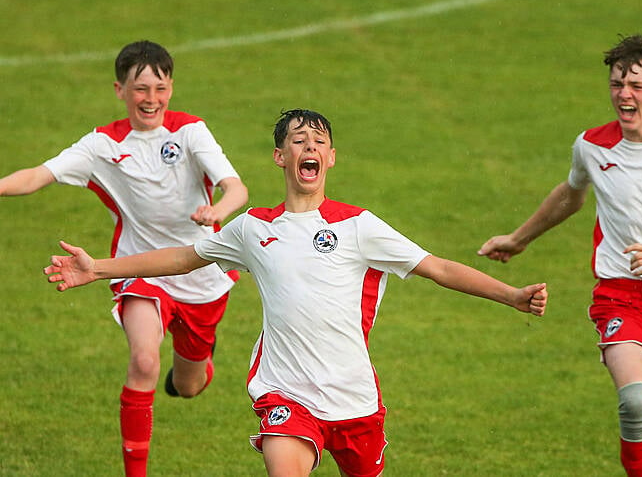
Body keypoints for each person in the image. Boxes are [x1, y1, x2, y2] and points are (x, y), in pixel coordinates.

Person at [45, 108, 549, 477]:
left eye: (318, 141)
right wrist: (99, 269)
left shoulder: (359, 226)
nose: (309, 148)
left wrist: (512, 295)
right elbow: (185, 256)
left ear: (331, 157)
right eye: (298, 140)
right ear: (280, 157)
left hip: (354, 398)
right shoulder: (253, 228)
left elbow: (438, 267)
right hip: (285, 395)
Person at [478, 31, 642, 476]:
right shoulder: (591, 146)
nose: (623, 95)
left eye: (635, 86)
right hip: (621, 296)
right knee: (634, 403)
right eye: (616, 84)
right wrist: (519, 239)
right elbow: (570, 195)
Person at [0, 40, 248, 476]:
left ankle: (193, 368)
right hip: (138, 268)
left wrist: (218, 211)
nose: (150, 99)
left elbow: (236, 188)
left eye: (160, 88)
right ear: (120, 90)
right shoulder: (101, 145)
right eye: (140, 89)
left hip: (200, 272)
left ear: (171, 88)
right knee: (145, 360)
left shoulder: (190, 131)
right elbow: (38, 175)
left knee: (188, 387)